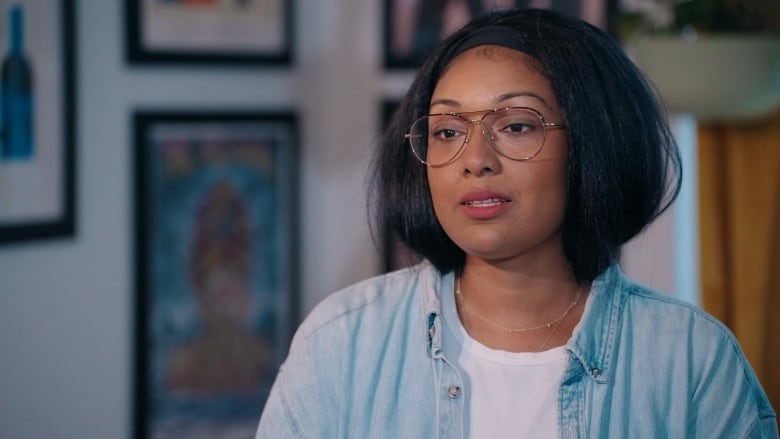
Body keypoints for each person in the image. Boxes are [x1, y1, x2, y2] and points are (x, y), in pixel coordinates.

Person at [256, 8, 778, 438]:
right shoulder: (343, 344)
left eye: (517, 125)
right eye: (445, 131)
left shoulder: (689, 358)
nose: (474, 159)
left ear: (591, 145)